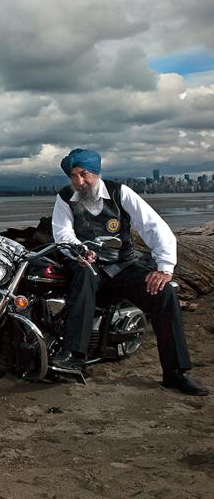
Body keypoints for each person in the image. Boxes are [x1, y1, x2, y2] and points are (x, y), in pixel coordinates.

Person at [51, 148, 207, 396]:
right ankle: (74, 355)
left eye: (84, 174)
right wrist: (80, 251)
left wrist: (165, 268)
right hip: (87, 266)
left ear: (96, 173)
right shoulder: (65, 197)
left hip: (122, 267)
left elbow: (154, 226)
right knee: (83, 274)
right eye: (73, 176)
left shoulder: (119, 192)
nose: (79, 182)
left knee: (164, 293)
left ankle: (176, 374)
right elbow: (62, 234)